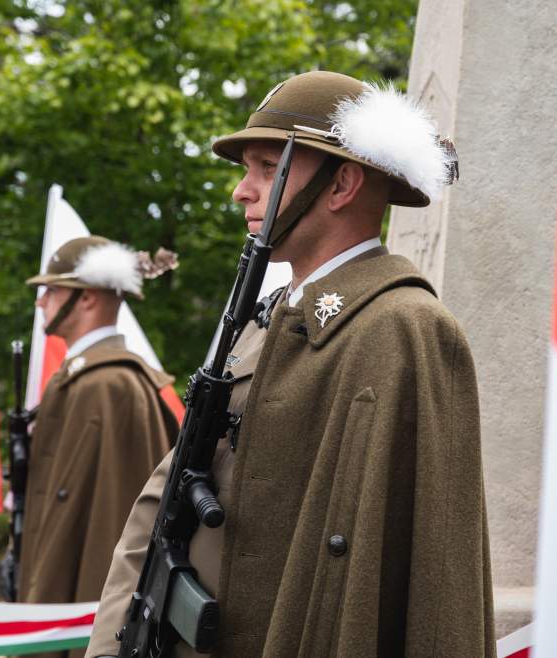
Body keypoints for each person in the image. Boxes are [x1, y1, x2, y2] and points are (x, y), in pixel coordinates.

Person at [87, 71, 495, 658]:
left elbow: (435, 580)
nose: (242, 191)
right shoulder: (265, 319)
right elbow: (166, 494)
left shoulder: (405, 330)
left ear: (342, 185)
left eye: (265, 168)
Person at [18, 235, 180, 657]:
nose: (41, 302)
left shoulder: (109, 386)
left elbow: (110, 527)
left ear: (87, 299)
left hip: (80, 617)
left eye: (52, 290)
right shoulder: (86, 379)